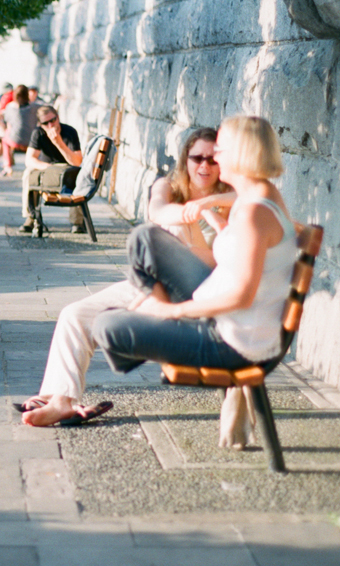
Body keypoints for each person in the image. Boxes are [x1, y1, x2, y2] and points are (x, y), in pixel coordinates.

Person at [17, 126, 234, 428]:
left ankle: (127, 329)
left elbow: (214, 261)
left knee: (171, 234)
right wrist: (191, 210)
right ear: (186, 159)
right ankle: (62, 401)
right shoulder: (168, 186)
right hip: (153, 283)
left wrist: (205, 209)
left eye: (213, 160)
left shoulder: (231, 201)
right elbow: (157, 210)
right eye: (197, 158)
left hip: (196, 293)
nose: (204, 166)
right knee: (74, 314)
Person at [93, 115, 296, 404]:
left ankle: (151, 329)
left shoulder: (254, 213)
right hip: (225, 318)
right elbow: (243, 252)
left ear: (240, 154)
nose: (213, 158)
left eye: (219, 151)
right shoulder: (262, 195)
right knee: (145, 237)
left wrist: (172, 312)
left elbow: (242, 296)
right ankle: (150, 327)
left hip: (232, 342)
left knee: (106, 325)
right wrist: (210, 211)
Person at [19, 104, 84, 233]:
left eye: (53, 120)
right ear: (40, 124)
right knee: (28, 173)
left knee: (80, 176)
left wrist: (59, 143)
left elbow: (77, 162)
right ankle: (31, 217)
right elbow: (29, 159)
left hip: (67, 170)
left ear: (58, 118)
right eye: (45, 123)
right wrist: (49, 168)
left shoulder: (69, 132)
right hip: (47, 169)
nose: (50, 125)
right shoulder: (38, 133)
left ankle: (77, 221)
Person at [0, 85, 35, 174]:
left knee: (4, 140)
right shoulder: (35, 106)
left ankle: (7, 166)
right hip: (32, 140)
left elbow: (6, 121)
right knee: (5, 137)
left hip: (16, 141)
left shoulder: (11, 107)